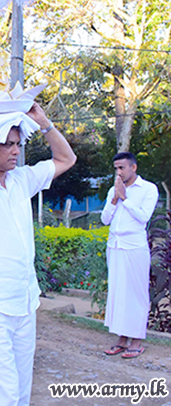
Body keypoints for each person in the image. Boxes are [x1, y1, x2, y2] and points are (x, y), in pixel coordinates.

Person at [0, 95, 76, 405]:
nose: (15, 151)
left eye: (18, 144)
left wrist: (44, 122)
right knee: (2, 397)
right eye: (7, 144)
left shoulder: (22, 179)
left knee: (20, 394)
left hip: (23, 301)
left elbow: (66, 159)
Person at [101, 152, 159, 359]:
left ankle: (136, 341)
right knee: (118, 293)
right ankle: (121, 338)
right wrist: (115, 198)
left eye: (122, 168)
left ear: (133, 167)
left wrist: (125, 198)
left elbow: (143, 217)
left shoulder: (148, 189)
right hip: (114, 246)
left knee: (136, 293)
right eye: (116, 168)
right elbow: (105, 219)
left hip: (134, 248)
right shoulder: (113, 190)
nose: (118, 172)